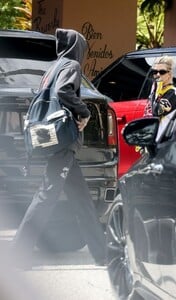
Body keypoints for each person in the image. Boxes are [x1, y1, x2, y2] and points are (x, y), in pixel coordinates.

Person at [11, 28, 106, 267]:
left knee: (82, 201)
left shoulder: (54, 66)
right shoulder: (71, 66)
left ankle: (102, 254)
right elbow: (64, 91)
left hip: (53, 139)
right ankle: (17, 254)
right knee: (46, 195)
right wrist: (83, 112)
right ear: (78, 47)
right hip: (63, 140)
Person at [145, 56, 176, 140]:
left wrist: (157, 90)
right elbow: (148, 113)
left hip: (164, 141)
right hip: (152, 139)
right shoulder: (155, 89)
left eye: (162, 72)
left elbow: (156, 112)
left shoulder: (172, 93)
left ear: (169, 74)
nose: (158, 75)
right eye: (155, 72)